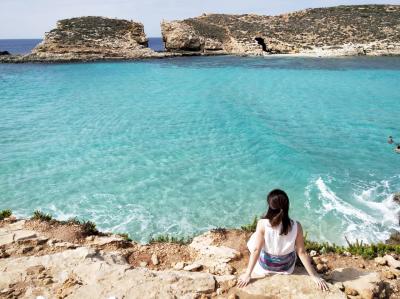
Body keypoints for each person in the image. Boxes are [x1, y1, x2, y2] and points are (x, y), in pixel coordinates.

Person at [237, 189, 329, 291]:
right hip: (286, 266)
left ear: (270, 206)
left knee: (255, 237)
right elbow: (301, 253)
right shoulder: (297, 226)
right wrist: (314, 276)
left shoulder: (262, 223)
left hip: (266, 265)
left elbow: (256, 250)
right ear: (287, 206)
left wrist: (247, 274)